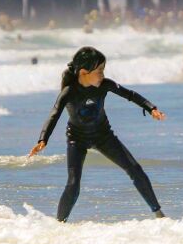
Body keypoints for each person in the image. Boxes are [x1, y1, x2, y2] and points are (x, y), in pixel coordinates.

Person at [28, 46, 166, 222]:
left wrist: (151, 108)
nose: (103, 74)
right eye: (99, 70)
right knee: (73, 184)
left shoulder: (105, 85)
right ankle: (59, 224)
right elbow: (54, 114)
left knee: (135, 169)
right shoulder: (69, 92)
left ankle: (159, 214)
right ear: (84, 72)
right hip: (77, 139)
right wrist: (43, 139)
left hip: (103, 136)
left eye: (103, 69)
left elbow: (129, 95)